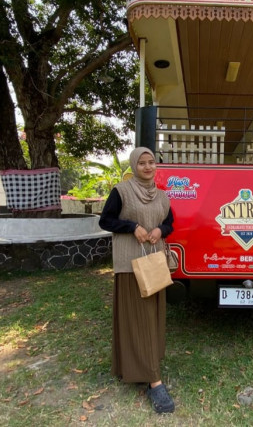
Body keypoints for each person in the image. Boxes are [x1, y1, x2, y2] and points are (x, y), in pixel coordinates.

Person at [98, 147, 176, 413]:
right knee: (137, 317)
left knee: (150, 318)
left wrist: (159, 230)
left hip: (154, 265)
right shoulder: (121, 191)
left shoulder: (163, 196)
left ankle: (134, 363)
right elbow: (105, 221)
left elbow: (170, 223)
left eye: (151, 162)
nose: (147, 167)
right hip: (130, 265)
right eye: (141, 163)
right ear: (134, 165)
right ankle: (154, 381)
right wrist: (132, 227)